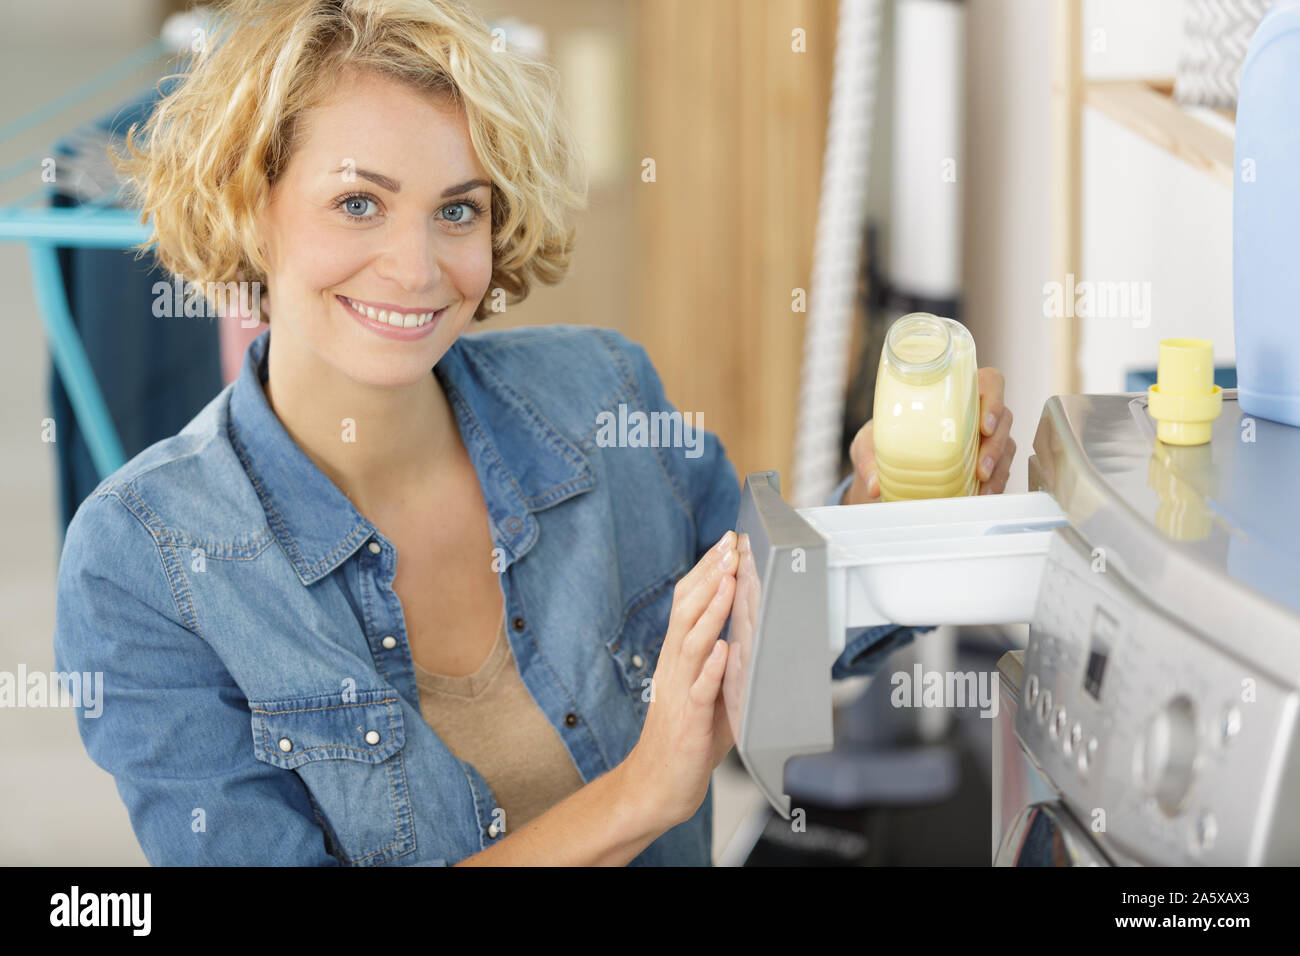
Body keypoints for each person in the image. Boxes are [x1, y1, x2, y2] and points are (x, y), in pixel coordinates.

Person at [53, 0, 1015, 866]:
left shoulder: (602, 391)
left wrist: (886, 512)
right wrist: (641, 797)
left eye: (457, 209)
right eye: (358, 203)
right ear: (249, 207)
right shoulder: (145, 560)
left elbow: (770, 628)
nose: (418, 267)